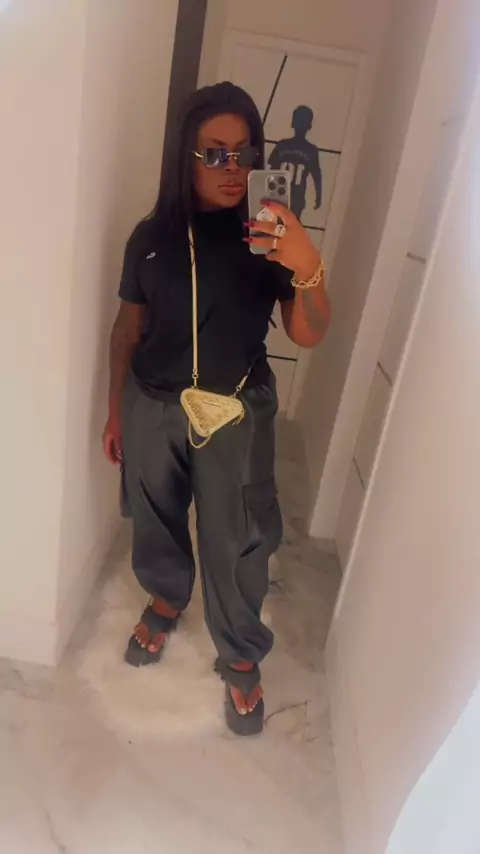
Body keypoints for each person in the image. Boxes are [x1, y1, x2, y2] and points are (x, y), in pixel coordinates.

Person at [102, 82, 330, 736]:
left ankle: (240, 651)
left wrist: (307, 263)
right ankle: (167, 596)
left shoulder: (267, 236)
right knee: (155, 514)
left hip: (237, 409)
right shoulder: (149, 239)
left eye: (244, 152)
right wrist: (116, 412)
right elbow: (126, 331)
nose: (233, 168)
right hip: (152, 403)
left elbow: (309, 331)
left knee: (241, 537)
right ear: (186, 156)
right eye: (215, 154)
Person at [268, 105, 322, 221]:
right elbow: (271, 170)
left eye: (303, 122)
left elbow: (316, 175)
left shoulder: (308, 150)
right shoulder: (283, 145)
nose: (300, 125)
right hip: (281, 195)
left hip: (294, 198)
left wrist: (319, 196)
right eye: (299, 121)